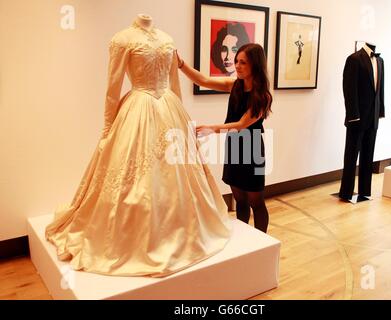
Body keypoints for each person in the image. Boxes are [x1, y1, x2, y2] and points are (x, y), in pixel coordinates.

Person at [45, 14, 231, 277]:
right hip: (138, 105)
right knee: (136, 176)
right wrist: (108, 128)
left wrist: (180, 114)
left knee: (176, 176)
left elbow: (174, 82)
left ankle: (183, 233)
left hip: (169, 108)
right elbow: (113, 88)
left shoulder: (167, 39)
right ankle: (133, 238)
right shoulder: (121, 40)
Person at [177, 43, 272, 233]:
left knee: (256, 200)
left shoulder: (263, 97)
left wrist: (212, 128)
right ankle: (245, 236)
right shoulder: (234, 85)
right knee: (239, 198)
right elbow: (203, 80)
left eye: (243, 62)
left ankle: (262, 241)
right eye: (237, 61)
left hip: (251, 147)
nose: (237, 66)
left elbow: (241, 124)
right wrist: (181, 65)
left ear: (255, 65)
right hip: (234, 145)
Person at [339, 42, 385, 202]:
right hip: (357, 118)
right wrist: (353, 114)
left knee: (368, 154)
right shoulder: (354, 59)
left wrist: (380, 111)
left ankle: (365, 190)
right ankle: (346, 192)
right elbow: (348, 89)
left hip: (372, 117)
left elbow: (380, 89)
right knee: (351, 156)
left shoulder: (380, 61)